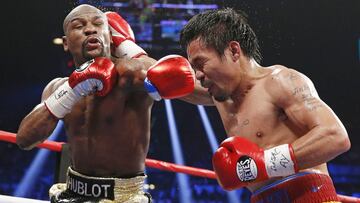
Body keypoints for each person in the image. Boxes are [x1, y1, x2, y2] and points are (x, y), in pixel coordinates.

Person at [16, 4, 196, 203]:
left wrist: (128, 47)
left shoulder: (128, 75)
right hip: (73, 192)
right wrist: (71, 91)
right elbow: (25, 139)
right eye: (79, 25)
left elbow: (173, 75)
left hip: (123, 197)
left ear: (111, 36)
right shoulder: (57, 87)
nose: (90, 29)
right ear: (66, 43)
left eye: (98, 24)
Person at [180, 8, 351, 202]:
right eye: (193, 68)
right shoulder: (221, 94)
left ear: (234, 51)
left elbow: (335, 136)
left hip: (310, 196)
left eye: (201, 63)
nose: (198, 75)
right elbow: (170, 82)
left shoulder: (280, 82)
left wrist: (263, 164)